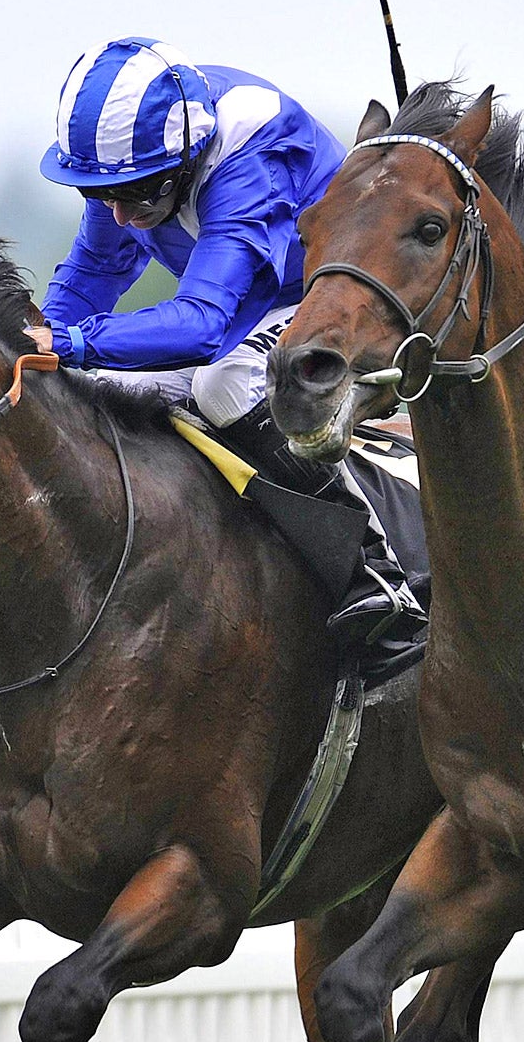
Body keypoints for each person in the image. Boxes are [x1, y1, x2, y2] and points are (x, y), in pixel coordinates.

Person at [29, 37, 424, 668]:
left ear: (185, 158)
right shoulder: (127, 166)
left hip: (325, 305)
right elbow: (93, 271)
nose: (121, 214)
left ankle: (374, 573)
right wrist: (35, 348)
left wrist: (72, 344)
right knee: (94, 389)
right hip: (242, 316)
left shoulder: (245, 150)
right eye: (103, 196)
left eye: (138, 195)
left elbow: (203, 326)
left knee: (224, 385)